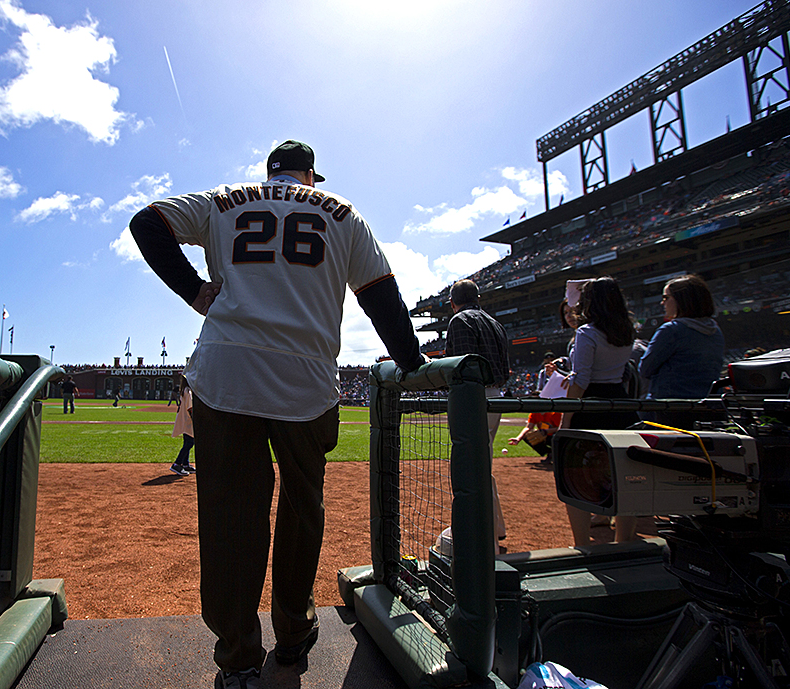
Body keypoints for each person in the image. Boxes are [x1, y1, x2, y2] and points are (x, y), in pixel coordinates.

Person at [129, 139, 425, 688]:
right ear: (309, 175)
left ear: (269, 173)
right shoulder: (342, 210)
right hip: (306, 383)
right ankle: (293, 633)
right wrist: (411, 361)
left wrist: (195, 291)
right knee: (301, 507)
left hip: (226, 375)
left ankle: (238, 655)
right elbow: (380, 295)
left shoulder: (224, 200)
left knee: (230, 518)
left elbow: (147, 223)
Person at [559, 276, 640, 546]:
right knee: (626, 479)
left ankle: (582, 544)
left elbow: (580, 380)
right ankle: (624, 542)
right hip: (620, 404)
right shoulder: (627, 331)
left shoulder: (586, 332)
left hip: (591, 407)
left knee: (577, 478)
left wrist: (566, 417)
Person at [444, 278, 510, 549]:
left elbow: (461, 367)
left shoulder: (460, 320)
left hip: (473, 399)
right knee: (483, 463)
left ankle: (482, 540)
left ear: (453, 302)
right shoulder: (495, 322)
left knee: (470, 467)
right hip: (496, 397)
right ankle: (496, 526)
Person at [639, 274, 724, 429]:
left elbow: (645, 369)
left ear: (681, 300)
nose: (662, 302)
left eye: (666, 298)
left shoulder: (672, 330)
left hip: (668, 409)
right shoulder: (715, 330)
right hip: (706, 407)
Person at [170, 379, 196, 475]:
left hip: (185, 420)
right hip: (188, 421)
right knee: (190, 443)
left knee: (187, 441)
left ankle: (185, 464)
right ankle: (177, 463)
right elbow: (190, 408)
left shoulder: (184, 390)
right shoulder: (188, 391)